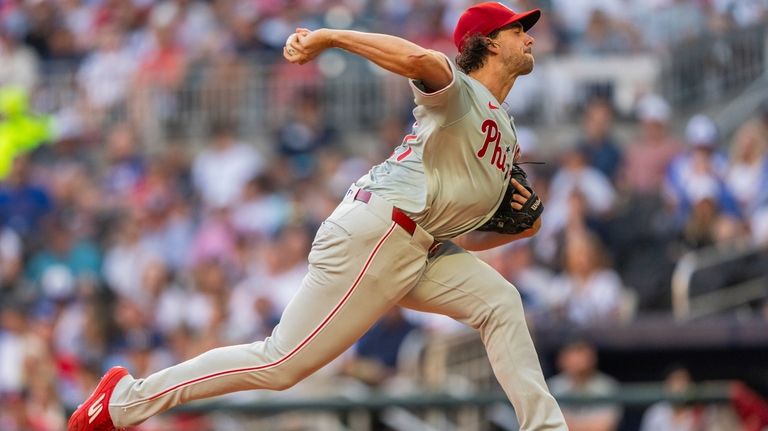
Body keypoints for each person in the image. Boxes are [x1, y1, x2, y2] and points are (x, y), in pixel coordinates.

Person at [69, 3, 567, 430]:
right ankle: (123, 400)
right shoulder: (459, 94)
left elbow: (468, 234)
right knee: (280, 363)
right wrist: (329, 36)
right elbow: (418, 58)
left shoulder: (503, 128)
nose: (528, 37)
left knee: (499, 300)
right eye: (517, 29)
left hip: (421, 243)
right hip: (380, 230)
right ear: (488, 43)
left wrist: (526, 228)